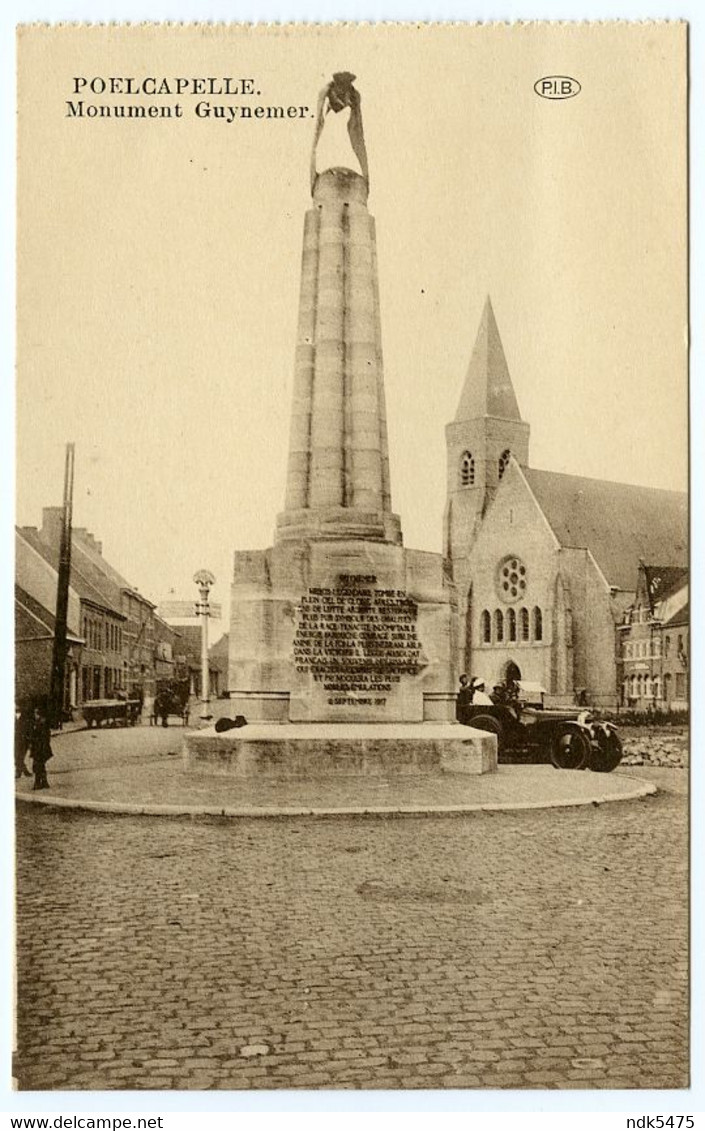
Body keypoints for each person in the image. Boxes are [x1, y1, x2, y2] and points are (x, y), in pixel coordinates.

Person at [29, 704, 53, 790]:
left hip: (40, 748)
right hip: (39, 748)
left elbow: (43, 737)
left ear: (38, 714)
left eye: (35, 713)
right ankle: (44, 782)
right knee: (40, 765)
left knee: (37, 765)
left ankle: (38, 783)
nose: (34, 715)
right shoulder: (39, 722)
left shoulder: (41, 723)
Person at [15, 706, 32, 780]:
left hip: (24, 740)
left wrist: (29, 741)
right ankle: (23, 771)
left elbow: (28, 729)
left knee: (20, 756)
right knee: (17, 756)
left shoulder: (25, 718)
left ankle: (20, 771)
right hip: (15, 740)